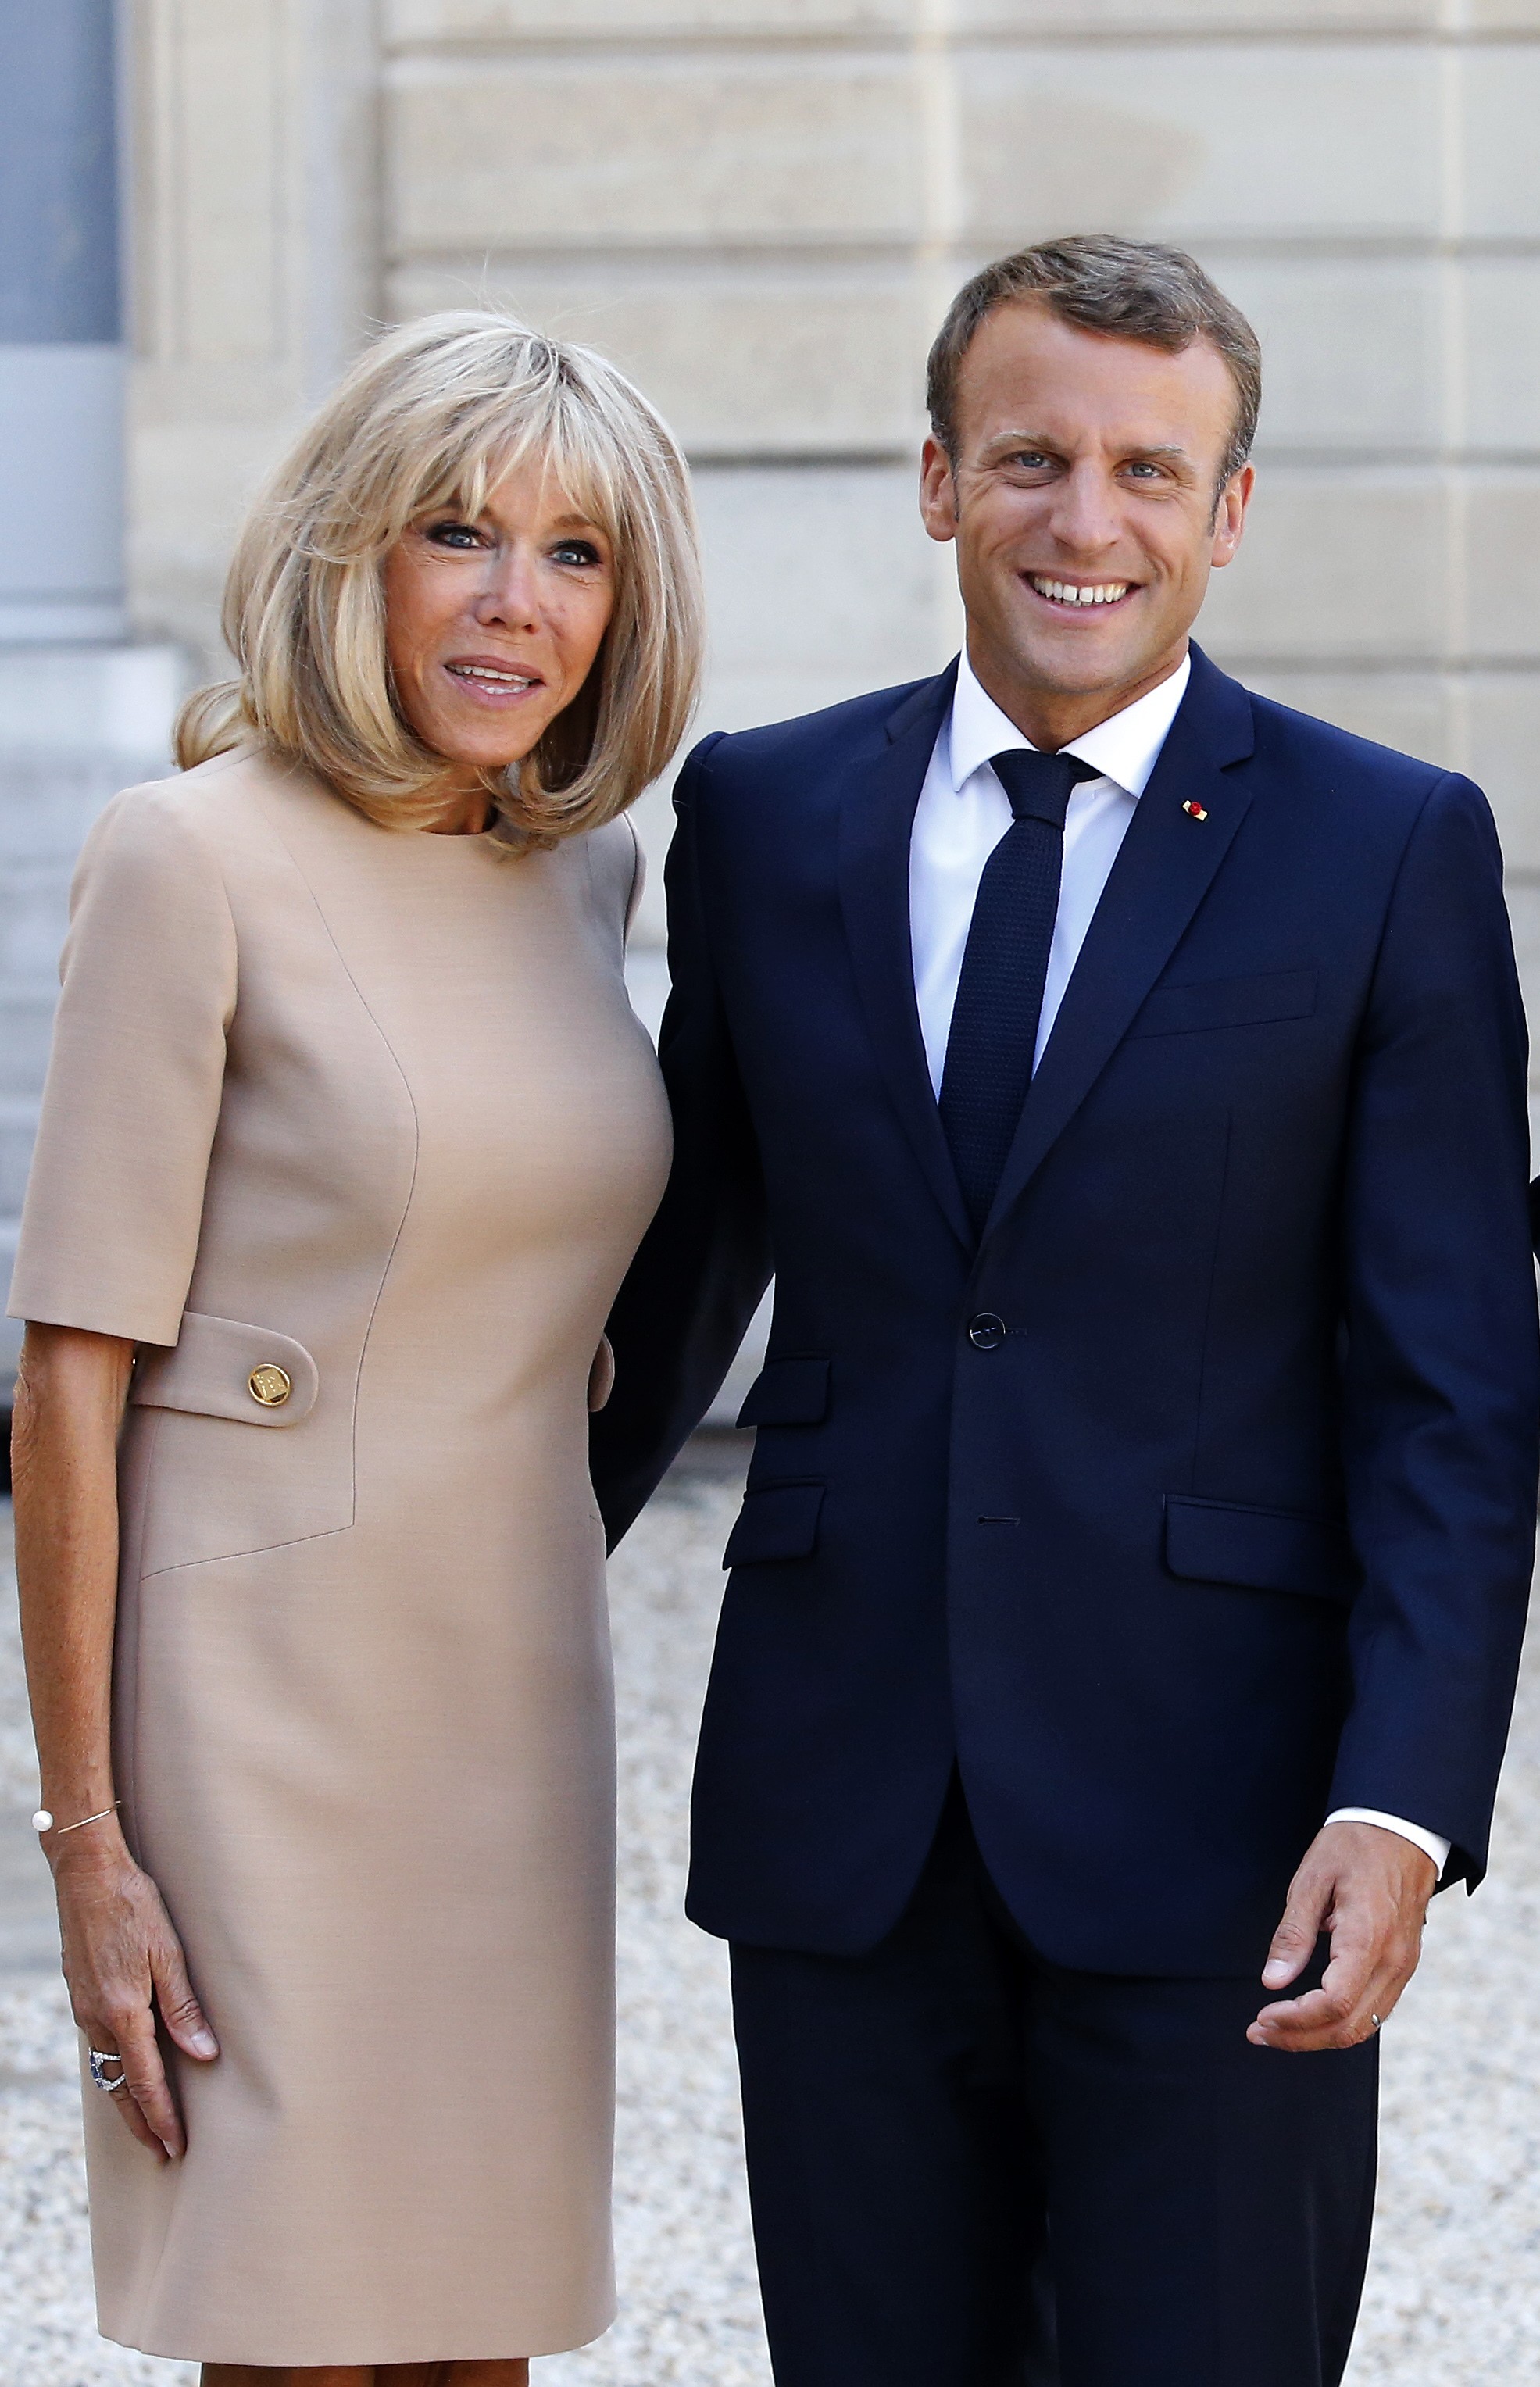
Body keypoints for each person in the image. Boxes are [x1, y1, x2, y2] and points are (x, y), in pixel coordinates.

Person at [590, 237, 1540, 2387]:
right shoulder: (763, 813)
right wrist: (472, 1590)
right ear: (937, 481)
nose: (1079, 521)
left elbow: (1452, 1386)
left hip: (1223, 1834)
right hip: (840, 1817)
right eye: (1028, 457)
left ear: (1226, 511)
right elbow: (675, 1267)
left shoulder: (1383, 849)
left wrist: (1398, 1803)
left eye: (1142, 468)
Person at [9, 311, 701, 2383]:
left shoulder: (585, 874)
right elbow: (64, 1387)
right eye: (458, 534)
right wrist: (90, 1847)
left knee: (483, 2329)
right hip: (254, 1714)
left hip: (509, 1690)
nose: (516, 604)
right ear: (352, 558)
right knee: (299, 2327)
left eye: (577, 555)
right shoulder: (188, 853)